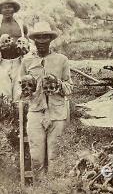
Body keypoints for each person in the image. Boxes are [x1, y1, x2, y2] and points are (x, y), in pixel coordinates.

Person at [20, 21, 72, 181]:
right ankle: (40, 188)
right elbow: (19, 91)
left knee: (55, 156)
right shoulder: (26, 61)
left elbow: (70, 88)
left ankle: (54, 188)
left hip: (57, 114)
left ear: (50, 40)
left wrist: (58, 84)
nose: (41, 42)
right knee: (36, 158)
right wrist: (27, 88)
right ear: (34, 41)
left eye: (45, 38)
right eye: (38, 39)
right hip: (36, 113)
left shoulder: (62, 60)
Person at [0, 0, 28, 101]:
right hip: (2, 62)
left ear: (14, 9)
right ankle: (6, 115)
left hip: (18, 62)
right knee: (4, 91)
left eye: (9, 7)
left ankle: (18, 114)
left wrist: (24, 48)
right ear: (1, 10)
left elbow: (27, 41)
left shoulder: (21, 25)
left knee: (18, 91)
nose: (7, 10)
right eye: (4, 7)